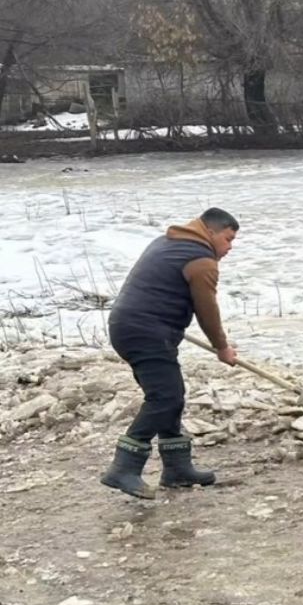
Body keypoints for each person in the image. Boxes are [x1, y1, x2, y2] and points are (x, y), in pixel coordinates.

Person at [100, 207, 239, 499]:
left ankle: (177, 467)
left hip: (126, 325)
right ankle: (123, 468)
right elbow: (207, 309)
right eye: (228, 239)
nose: (229, 248)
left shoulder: (167, 242)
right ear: (210, 232)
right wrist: (222, 347)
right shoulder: (202, 260)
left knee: (169, 394)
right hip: (147, 331)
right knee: (166, 397)